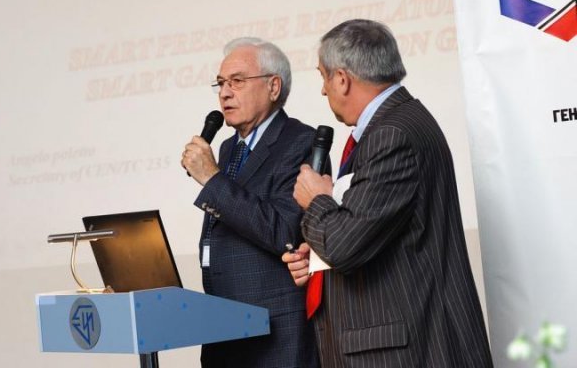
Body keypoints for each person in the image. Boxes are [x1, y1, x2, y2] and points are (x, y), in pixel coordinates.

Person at [282, 19, 494, 367]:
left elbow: (344, 245)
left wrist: (317, 200)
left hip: (402, 350)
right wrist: (318, 255)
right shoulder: (399, 122)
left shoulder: (391, 134)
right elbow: (374, 229)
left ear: (342, 79)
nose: (322, 90)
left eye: (323, 76)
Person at [181, 37, 319, 368]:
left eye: (237, 81)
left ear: (273, 87)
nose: (224, 93)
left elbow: (284, 231)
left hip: (276, 333)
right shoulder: (228, 148)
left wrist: (213, 180)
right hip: (224, 328)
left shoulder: (301, 141)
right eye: (221, 83)